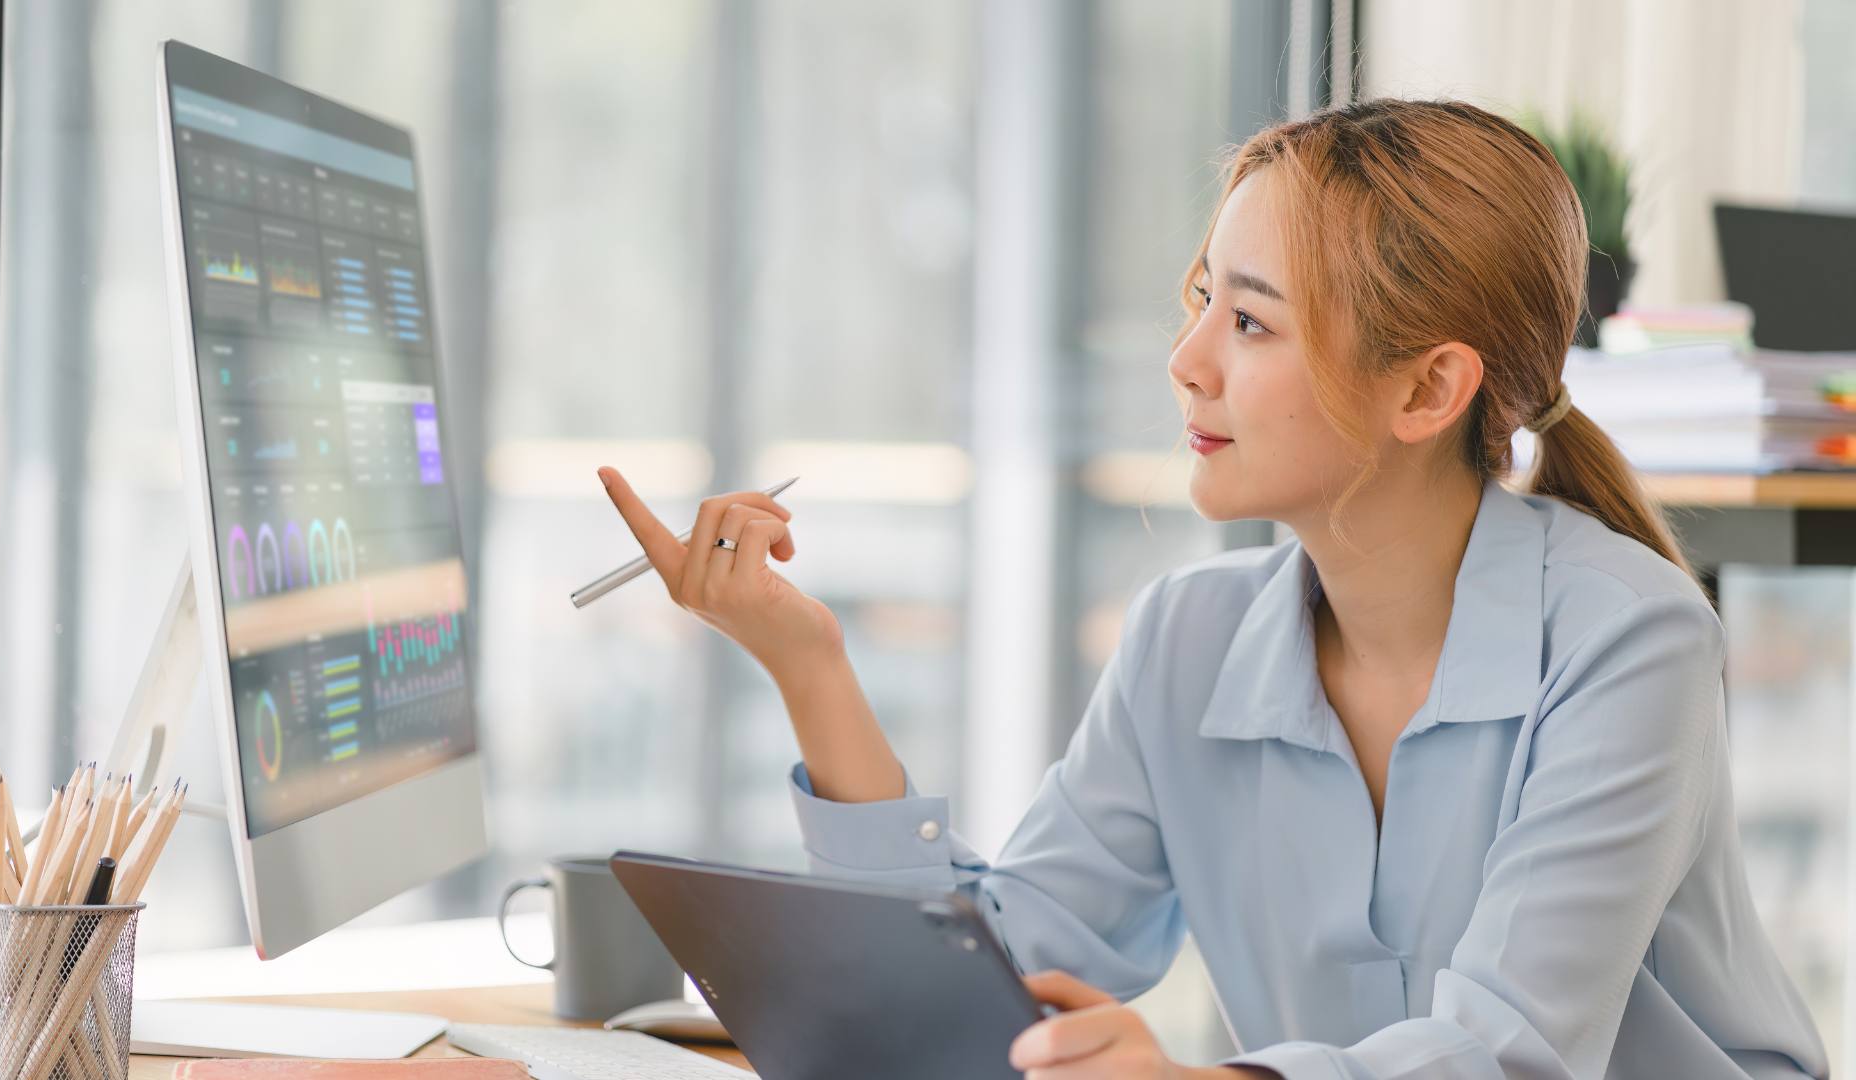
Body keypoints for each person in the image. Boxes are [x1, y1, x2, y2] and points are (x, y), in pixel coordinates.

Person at [597, 98, 1829, 1079]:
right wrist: (805, 660)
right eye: (1202, 303)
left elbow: (1512, 1049)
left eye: (1251, 324)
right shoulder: (1188, 639)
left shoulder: (1631, 640)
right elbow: (998, 975)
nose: (1186, 365)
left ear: (1425, 390)